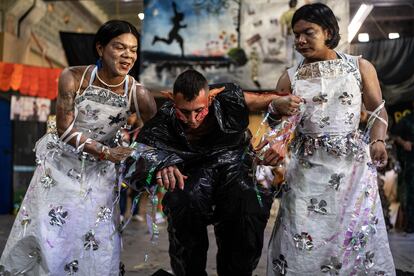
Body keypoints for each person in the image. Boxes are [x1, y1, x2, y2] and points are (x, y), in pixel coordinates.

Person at [0, 20, 157, 275]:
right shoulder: (73, 77)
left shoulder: (138, 93)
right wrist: (107, 152)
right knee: (50, 230)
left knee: (95, 233)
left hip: (100, 174)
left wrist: (140, 156)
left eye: (133, 49)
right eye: (119, 47)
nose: (128, 55)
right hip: (59, 168)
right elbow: (65, 128)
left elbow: (158, 132)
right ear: (100, 48)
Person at [123, 69, 298, 276]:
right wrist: (161, 162)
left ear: (211, 97)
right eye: (184, 112)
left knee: (248, 204)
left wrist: (280, 139)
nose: (193, 119)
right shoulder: (164, 120)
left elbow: (286, 103)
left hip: (234, 168)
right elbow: (134, 163)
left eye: (199, 110)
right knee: (184, 203)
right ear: (171, 100)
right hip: (191, 174)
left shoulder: (229, 99)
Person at [266, 3, 396, 275]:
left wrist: (378, 141)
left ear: (328, 31)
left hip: (353, 172)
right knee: (301, 235)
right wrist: (276, 113)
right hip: (305, 172)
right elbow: (274, 123)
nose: (300, 40)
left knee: (352, 234)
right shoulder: (289, 77)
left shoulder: (360, 67)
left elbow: (377, 109)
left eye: (308, 32)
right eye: (296, 34)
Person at [392, 110, 414, 233]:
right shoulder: (407, 119)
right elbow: (394, 134)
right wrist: (404, 143)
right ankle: (411, 224)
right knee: (411, 193)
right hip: (411, 161)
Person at [280, 0, 301, 67]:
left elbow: (282, 24)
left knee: (289, 50)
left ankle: (288, 65)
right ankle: (299, 64)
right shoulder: (299, 13)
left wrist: (283, 33)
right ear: (296, 4)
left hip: (289, 33)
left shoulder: (285, 13)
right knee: (298, 49)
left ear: (289, 5)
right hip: (298, 34)